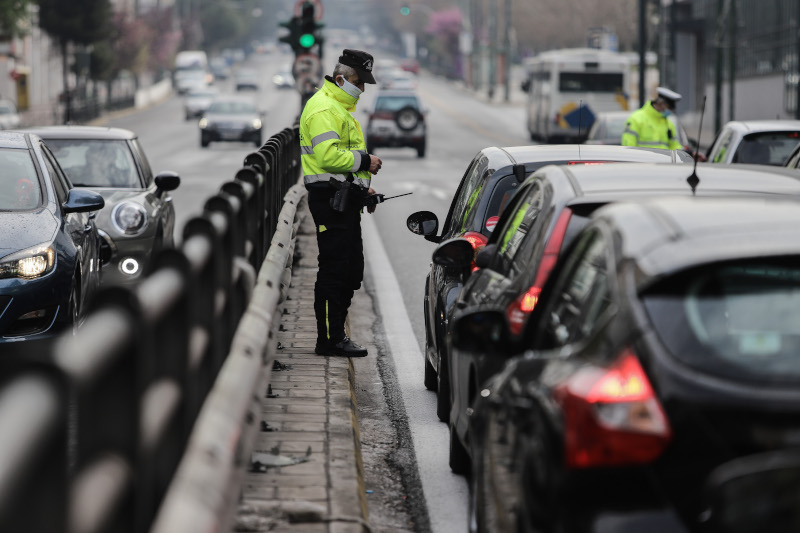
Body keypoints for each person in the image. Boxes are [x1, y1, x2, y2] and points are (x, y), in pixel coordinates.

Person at [299, 49, 383, 357]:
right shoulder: (324, 109)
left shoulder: (338, 109)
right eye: (359, 83)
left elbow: (343, 167)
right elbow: (328, 157)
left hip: (344, 201)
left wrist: (365, 193)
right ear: (340, 79)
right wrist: (365, 160)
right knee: (334, 270)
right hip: (328, 201)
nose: (362, 90)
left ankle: (337, 335)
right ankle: (330, 339)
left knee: (351, 270)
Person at [621, 86, 684, 151]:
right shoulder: (636, 119)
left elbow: (674, 145)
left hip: (664, 161)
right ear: (660, 103)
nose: (670, 111)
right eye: (669, 108)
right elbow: (628, 146)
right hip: (642, 160)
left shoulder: (669, 124)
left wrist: (684, 153)